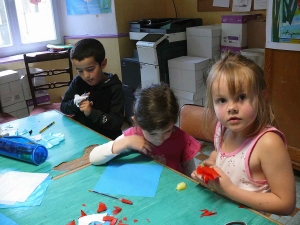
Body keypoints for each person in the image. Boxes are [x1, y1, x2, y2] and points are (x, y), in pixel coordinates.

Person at [191, 52, 296, 215]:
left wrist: (229, 190)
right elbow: (219, 153)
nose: (231, 107)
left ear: (261, 98)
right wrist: (210, 164)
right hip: (221, 212)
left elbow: (286, 204)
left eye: (241, 97)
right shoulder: (223, 128)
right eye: (222, 100)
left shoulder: (268, 143)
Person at [89, 83, 201, 177]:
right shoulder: (134, 135)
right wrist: (125, 142)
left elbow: (190, 175)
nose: (160, 139)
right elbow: (93, 157)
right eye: (152, 134)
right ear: (137, 123)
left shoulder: (182, 140)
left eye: (167, 131)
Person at [60, 38, 124, 140]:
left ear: (103, 64)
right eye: (80, 70)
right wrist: (75, 103)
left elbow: (116, 123)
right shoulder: (78, 82)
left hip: (107, 140)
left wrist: (91, 113)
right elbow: (63, 107)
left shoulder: (114, 87)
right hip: (82, 136)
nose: (85, 76)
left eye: (90, 69)